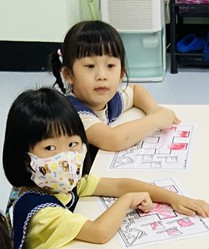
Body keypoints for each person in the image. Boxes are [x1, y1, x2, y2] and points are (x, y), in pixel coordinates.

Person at [4, 88, 209, 249]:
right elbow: (99, 232)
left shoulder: (62, 184)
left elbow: (119, 185)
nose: (65, 158)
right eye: (50, 148)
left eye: (72, 144)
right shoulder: (43, 214)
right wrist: (128, 200)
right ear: (24, 157)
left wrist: (173, 198)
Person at [51, 20, 179, 152]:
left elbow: (136, 91)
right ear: (68, 75)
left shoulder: (111, 101)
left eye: (110, 65)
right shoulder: (72, 113)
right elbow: (113, 140)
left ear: (121, 74)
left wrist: (153, 109)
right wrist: (155, 120)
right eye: (90, 66)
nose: (102, 76)